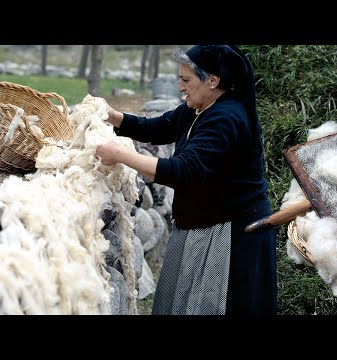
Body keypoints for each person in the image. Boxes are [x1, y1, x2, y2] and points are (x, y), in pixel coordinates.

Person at [96, 45, 277, 315]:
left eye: (186, 80)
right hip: (202, 224)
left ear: (213, 81)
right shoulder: (199, 108)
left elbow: (184, 171)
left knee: (222, 305)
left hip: (231, 234)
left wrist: (121, 155)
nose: (180, 87)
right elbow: (156, 128)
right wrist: (114, 116)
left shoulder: (227, 118)